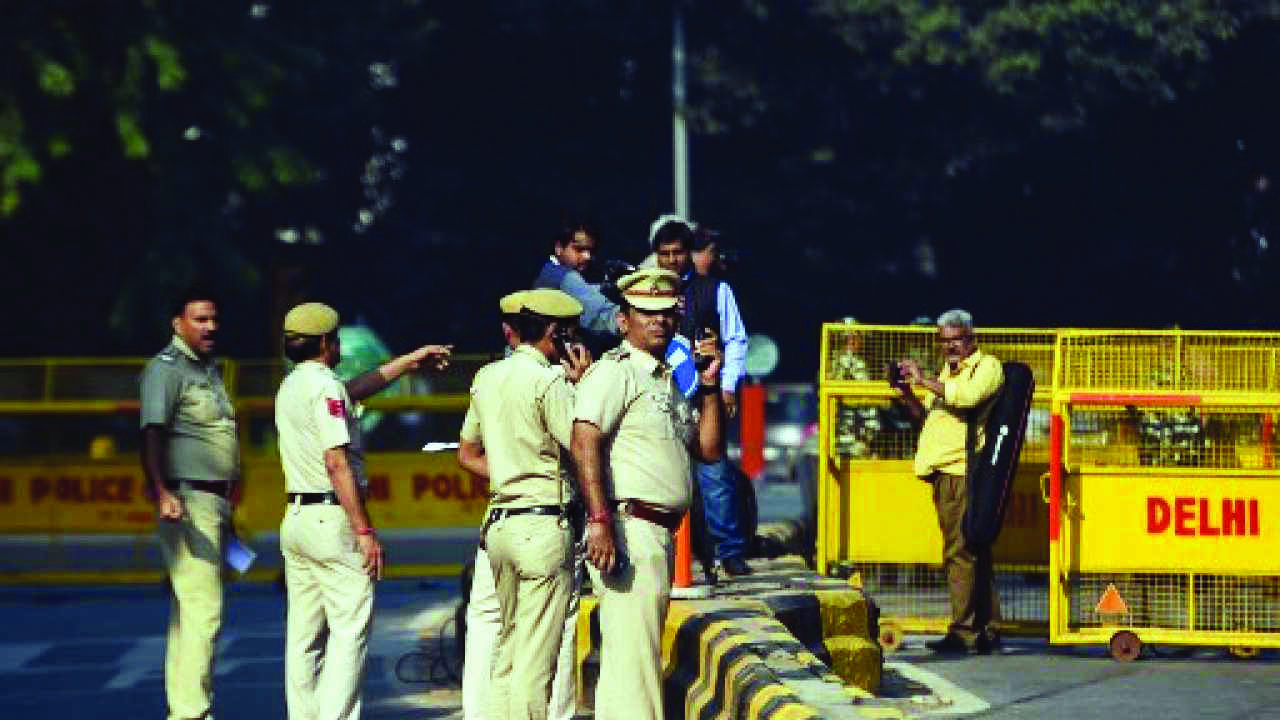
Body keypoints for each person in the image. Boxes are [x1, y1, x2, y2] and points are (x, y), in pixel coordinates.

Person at [275, 302, 450, 720]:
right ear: (324, 343)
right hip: (331, 520)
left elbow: (355, 390)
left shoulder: (293, 386)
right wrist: (364, 531)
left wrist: (408, 362)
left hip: (296, 518)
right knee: (349, 630)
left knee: (303, 637)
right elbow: (337, 462)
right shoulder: (325, 388)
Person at [571, 267, 724, 719]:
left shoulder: (665, 379)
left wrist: (710, 384)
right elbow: (585, 440)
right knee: (633, 666)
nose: (658, 321)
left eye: (666, 313)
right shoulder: (613, 373)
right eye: (646, 313)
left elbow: (709, 449)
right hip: (629, 527)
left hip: (656, 533)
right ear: (623, 320)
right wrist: (599, 521)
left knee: (635, 660)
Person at [457, 288, 590, 720]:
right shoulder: (549, 381)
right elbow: (580, 448)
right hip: (543, 527)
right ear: (553, 333)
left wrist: (512, 473)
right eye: (567, 334)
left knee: (509, 655)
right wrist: (582, 385)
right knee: (536, 666)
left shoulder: (487, 377)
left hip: (499, 526)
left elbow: (468, 452)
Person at [139, 289, 239, 720]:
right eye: (199, 319)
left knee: (190, 613)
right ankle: (193, 713)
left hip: (213, 502)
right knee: (205, 610)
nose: (210, 327)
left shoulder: (207, 370)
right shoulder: (166, 370)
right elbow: (151, 432)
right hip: (187, 499)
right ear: (177, 324)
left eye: (213, 318)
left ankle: (184, 711)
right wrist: (162, 491)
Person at [892, 308, 1004, 654]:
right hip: (945, 472)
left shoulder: (987, 367)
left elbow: (967, 398)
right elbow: (926, 416)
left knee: (960, 553)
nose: (950, 347)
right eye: (944, 341)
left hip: (962, 472)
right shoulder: (949, 372)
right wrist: (907, 392)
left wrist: (924, 379)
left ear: (972, 339)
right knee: (971, 552)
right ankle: (985, 629)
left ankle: (963, 632)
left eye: (956, 340)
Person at [650, 216, 752, 576]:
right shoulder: (646, 292)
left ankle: (730, 552)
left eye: (678, 253)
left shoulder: (715, 290)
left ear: (689, 254)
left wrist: (726, 385)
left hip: (704, 396)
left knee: (714, 473)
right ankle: (669, 555)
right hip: (658, 398)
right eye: (664, 254)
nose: (672, 260)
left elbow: (737, 340)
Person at [533, 220, 622, 354]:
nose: (587, 256)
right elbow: (602, 315)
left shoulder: (548, 271)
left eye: (591, 251)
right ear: (558, 247)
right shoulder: (564, 277)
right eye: (579, 249)